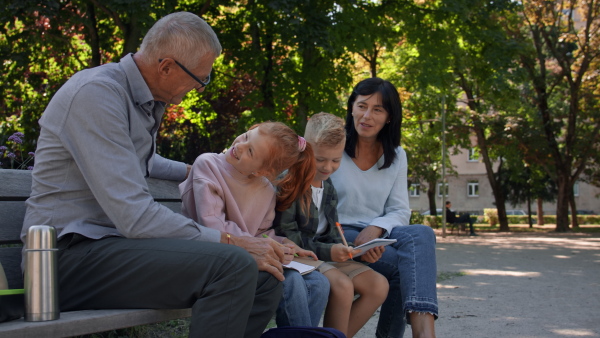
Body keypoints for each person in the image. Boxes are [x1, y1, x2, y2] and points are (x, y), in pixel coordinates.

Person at [21, 12, 284, 338]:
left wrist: (193, 169)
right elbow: (135, 217)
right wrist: (230, 240)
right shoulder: (97, 95)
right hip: (64, 261)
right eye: (201, 78)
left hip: (111, 249)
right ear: (167, 67)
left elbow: (139, 160)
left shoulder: (141, 101)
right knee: (233, 263)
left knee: (267, 276)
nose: (200, 87)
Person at [179, 121, 330, 328]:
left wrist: (285, 244)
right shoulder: (208, 165)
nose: (239, 145)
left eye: (250, 151)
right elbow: (212, 225)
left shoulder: (265, 189)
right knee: (292, 281)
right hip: (210, 254)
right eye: (246, 136)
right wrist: (265, 247)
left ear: (262, 171)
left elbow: (262, 232)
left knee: (319, 284)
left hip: (247, 255)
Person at [330, 77, 438, 338]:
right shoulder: (333, 145)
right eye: (362, 106)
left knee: (422, 234)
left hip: (377, 233)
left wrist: (377, 228)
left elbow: (400, 210)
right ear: (351, 108)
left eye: (377, 109)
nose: (367, 116)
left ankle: (424, 330)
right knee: (405, 266)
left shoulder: (397, 155)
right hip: (338, 232)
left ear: (389, 117)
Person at [273, 112, 389, 337]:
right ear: (305, 149)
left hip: (320, 256)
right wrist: (330, 251)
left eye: (336, 160)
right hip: (297, 256)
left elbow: (332, 233)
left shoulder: (329, 187)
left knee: (378, 286)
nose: (328, 167)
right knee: (343, 287)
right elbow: (284, 234)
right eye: (320, 159)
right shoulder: (290, 182)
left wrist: (353, 251)